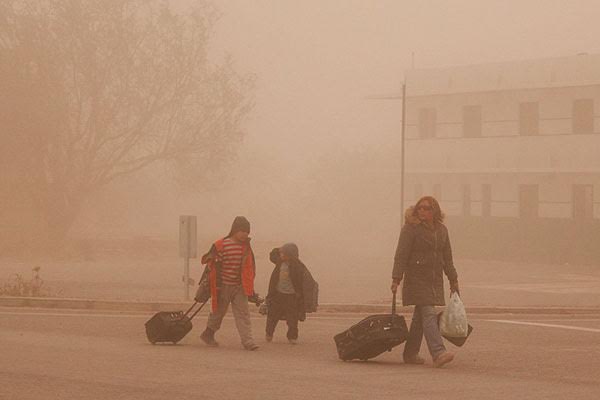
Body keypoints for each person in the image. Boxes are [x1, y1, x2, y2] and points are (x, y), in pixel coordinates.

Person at [391, 196, 460, 368]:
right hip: (416, 279)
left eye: (427, 208)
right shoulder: (410, 229)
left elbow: (447, 258)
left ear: (434, 211)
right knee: (428, 313)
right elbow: (401, 255)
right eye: (420, 208)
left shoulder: (442, 230)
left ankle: (410, 354)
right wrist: (396, 278)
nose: (422, 211)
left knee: (419, 319)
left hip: (433, 280)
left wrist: (453, 279)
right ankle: (438, 353)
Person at [199, 216, 259, 351]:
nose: (245, 234)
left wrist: (250, 288)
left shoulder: (246, 248)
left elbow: (250, 268)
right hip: (222, 286)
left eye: (247, 232)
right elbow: (210, 263)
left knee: (243, 314)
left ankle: (248, 341)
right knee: (218, 313)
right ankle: (208, 334)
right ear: (235, 230)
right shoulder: (221, 245)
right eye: (242, 231)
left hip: (239, 287)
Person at [265, 243, 310, 344]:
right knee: (272, 316)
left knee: (292, 319)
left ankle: (292, 336)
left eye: (283, 254)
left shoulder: (298, 266)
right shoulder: (279, 262)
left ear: (291, 255)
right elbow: (272, 254)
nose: (281, 255)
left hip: (291, 296)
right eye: (281, 253)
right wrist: (281, 248)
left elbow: (306, 281)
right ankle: (269, 333)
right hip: (278, 294)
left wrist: (301, 295)